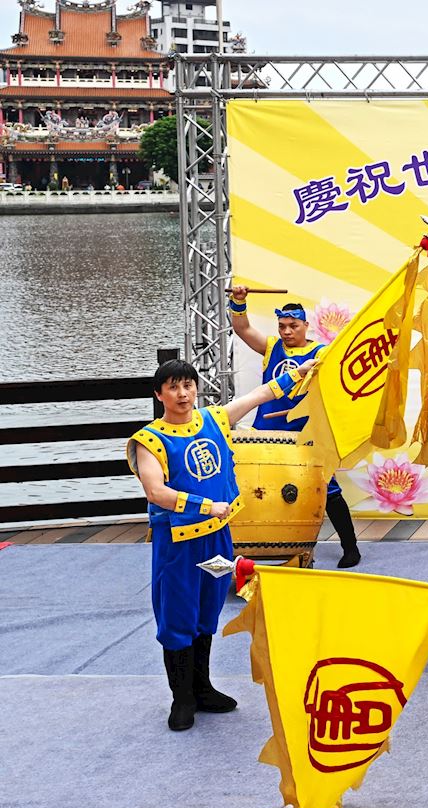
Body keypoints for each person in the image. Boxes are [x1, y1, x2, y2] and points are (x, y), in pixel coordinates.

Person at [128, 357, 313, 731]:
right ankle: (182, 699)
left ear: (196, 388)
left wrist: (299, 373)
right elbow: (156, 492)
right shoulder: (149, 440)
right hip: (178, 542)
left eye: (188, 385)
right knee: (177, 614)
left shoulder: (214, 419)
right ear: (159, 394)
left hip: (216, 536)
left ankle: (202, 688)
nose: (183, 394)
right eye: (173, 387)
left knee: (207, 610)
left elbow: (259, 395)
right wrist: (204, 505)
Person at [229, 287, 361, 567]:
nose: (287, 331)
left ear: (306, 325)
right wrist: (239, 301)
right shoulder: (272, 347)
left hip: (304, 434)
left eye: (293, 326)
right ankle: (253, 544)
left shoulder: (322, 353)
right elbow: (242, 328)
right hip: (267, 435)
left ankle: (351, 547)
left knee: (328, 489)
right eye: (282, 326)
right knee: (254, 487)